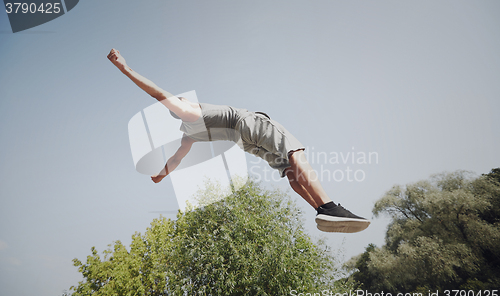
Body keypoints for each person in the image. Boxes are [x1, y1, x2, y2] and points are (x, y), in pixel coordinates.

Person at [107, 48, 370, 233]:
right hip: (249, 125)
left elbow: (177, 158)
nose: (185, 100)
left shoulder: (188, 134)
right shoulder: (190, 111)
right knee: (295, 154)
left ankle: (319, 210)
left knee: (290, 172)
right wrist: (124, 67)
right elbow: (158, 93)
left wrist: (162, 175)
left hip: (246, 144)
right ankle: (330, 206)